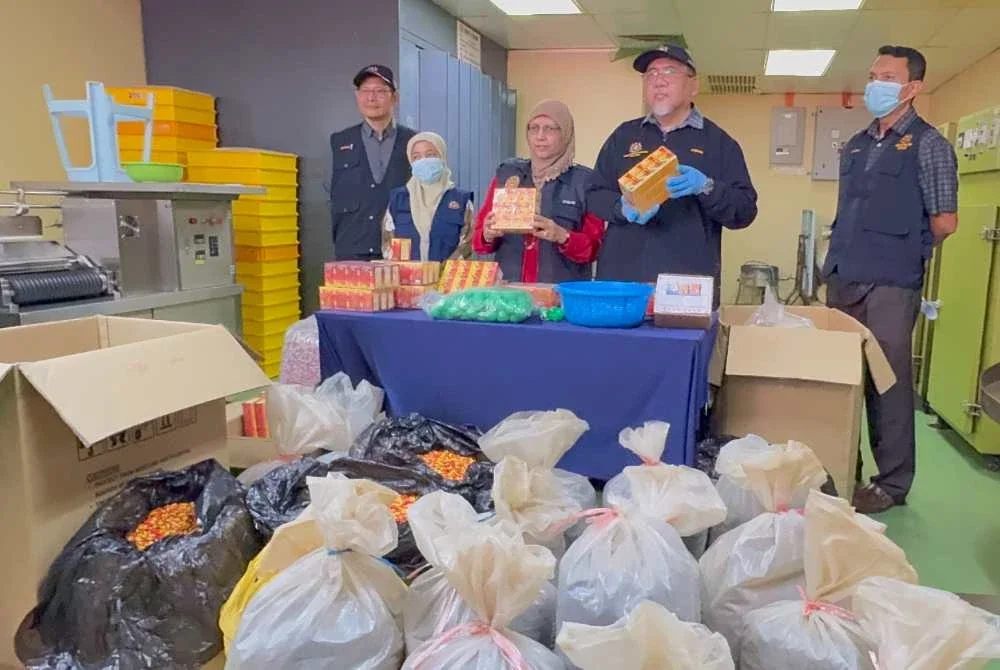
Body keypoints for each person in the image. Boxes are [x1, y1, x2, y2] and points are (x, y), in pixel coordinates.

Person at [823, 45, 958, 514]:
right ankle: (846, 469)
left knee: (889, 384)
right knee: (843, 380)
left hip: (891, 283)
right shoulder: (858, 143)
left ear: (912, 87)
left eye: (887, 75)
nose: (875, 83)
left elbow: (945, 222)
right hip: (844, 275)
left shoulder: (929, 145)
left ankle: (892, 483)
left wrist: (903, 251)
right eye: (872, 73)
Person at [593, 45, 758, 306]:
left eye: (670, 71)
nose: (658, 80)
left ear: (693, 85)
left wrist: (707, 188)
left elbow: (745, 211)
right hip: (622, 283)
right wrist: (620, 207)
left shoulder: (719, 143)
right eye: (650, 73)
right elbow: (594, 193)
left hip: (686, 288)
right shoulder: (623, 137)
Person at [473, 99, 607, 283]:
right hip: (510, 296)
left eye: (550, 129)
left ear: (565, 134)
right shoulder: (508, 175)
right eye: (533, 128)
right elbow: (479, 243)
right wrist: (487, 234)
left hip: (560, 297)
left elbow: (595, 248)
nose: (540, 136)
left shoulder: (585, 182)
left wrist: (562, 236)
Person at [329, 64, 416, 260]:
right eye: (365, 91)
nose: (371, 98)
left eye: (380, 91)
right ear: (357, 96)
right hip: (352, 246)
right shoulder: (340, 141)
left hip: (400, 248)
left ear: (395, 97)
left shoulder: (413, 141)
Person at [383, 131, 474, 261]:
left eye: (430, 154)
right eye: (416, 157)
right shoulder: (398, 199)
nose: (423, 161)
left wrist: (440, 273)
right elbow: (388, 243)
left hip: (446, 278)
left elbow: (467, 244)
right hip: (406, 278)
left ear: (442, 157)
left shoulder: (461, 200)